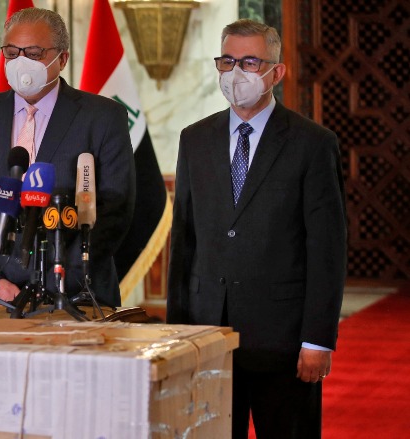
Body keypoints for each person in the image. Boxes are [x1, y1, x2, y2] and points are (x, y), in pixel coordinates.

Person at [166, 19, 347, 439]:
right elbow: (184, 240)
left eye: (250, 62)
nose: (236, 73)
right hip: (207, 336)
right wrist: (175, 333)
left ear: (276, 72)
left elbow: (327, 248)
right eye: (228, 61)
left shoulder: (313, 143)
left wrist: (319, 340)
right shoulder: (194, 139)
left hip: (282, 342)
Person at [0, 8, 135, 308]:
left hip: (74, 298)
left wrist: (55, 282)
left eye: (34, 52)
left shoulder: (104, 117)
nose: (21, 63)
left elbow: (114, 210)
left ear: (62, 58)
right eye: (12, 52)